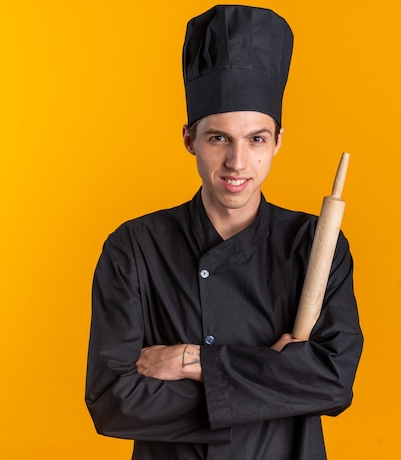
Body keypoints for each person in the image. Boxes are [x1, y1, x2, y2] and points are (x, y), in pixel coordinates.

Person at [86, 5, 363, 460]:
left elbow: (334, 381)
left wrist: (192, 361)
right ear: (189, 140)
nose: (237, 162)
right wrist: (274, 383)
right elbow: (111, 401)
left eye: (255, 139)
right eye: (218, 138)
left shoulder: (315, 245)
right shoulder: (134, 248)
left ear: (278, 141)